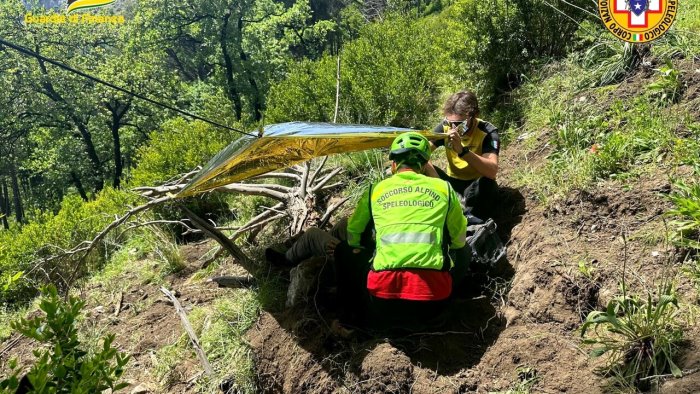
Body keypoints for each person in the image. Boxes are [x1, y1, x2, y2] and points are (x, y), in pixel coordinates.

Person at [335, 132, 469, 330]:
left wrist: (358, 247)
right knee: (465, 251)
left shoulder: (376, 190)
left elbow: (353, 233)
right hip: (432, 305)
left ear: (394, 165)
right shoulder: (444, 189)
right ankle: (451, 306)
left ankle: (349, 321)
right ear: (423, 166)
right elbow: (459, 239)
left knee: (343, 251)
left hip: (383, 304)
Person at [427, 91, 500, 219]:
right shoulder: (445, 128)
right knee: (420, 165)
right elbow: (422, 152)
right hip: (451, 182)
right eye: (450, 123)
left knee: (489, 185)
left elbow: (492, 171)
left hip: (475, 184)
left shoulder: (487, 131)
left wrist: (463, 151)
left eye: (460, 124)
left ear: (474, 116)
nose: (454, 128)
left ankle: (472, 222)